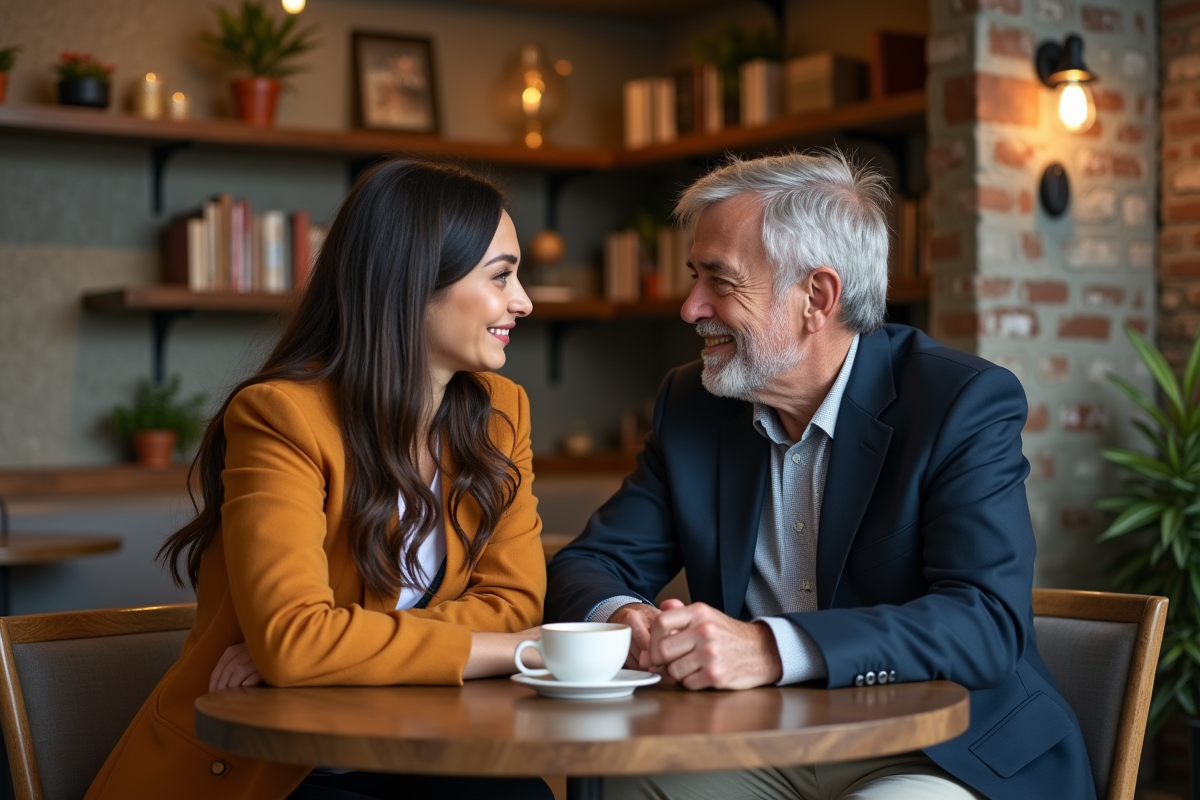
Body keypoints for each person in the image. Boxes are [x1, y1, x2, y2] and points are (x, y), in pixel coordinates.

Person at [545, 151, 1095, 800]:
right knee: (620, 779)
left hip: (941, 746)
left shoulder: (960, 402)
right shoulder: (692, 405)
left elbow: (986, 621)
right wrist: (628, 617)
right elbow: (588, 565)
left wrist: (770, 648)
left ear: (817, 297)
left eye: (720, 281)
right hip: (761, 740)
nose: (691, 308)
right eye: (695, 278)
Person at [86, 160, 553, 800]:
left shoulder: (503, 413)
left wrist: (334, 651)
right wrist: (520, 650)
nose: (524, 301)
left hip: (421, 748)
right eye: (501, 276)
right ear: (412, 281)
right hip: (276, 770)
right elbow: (295, 642)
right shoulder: (281, 416)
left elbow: (516, 605)